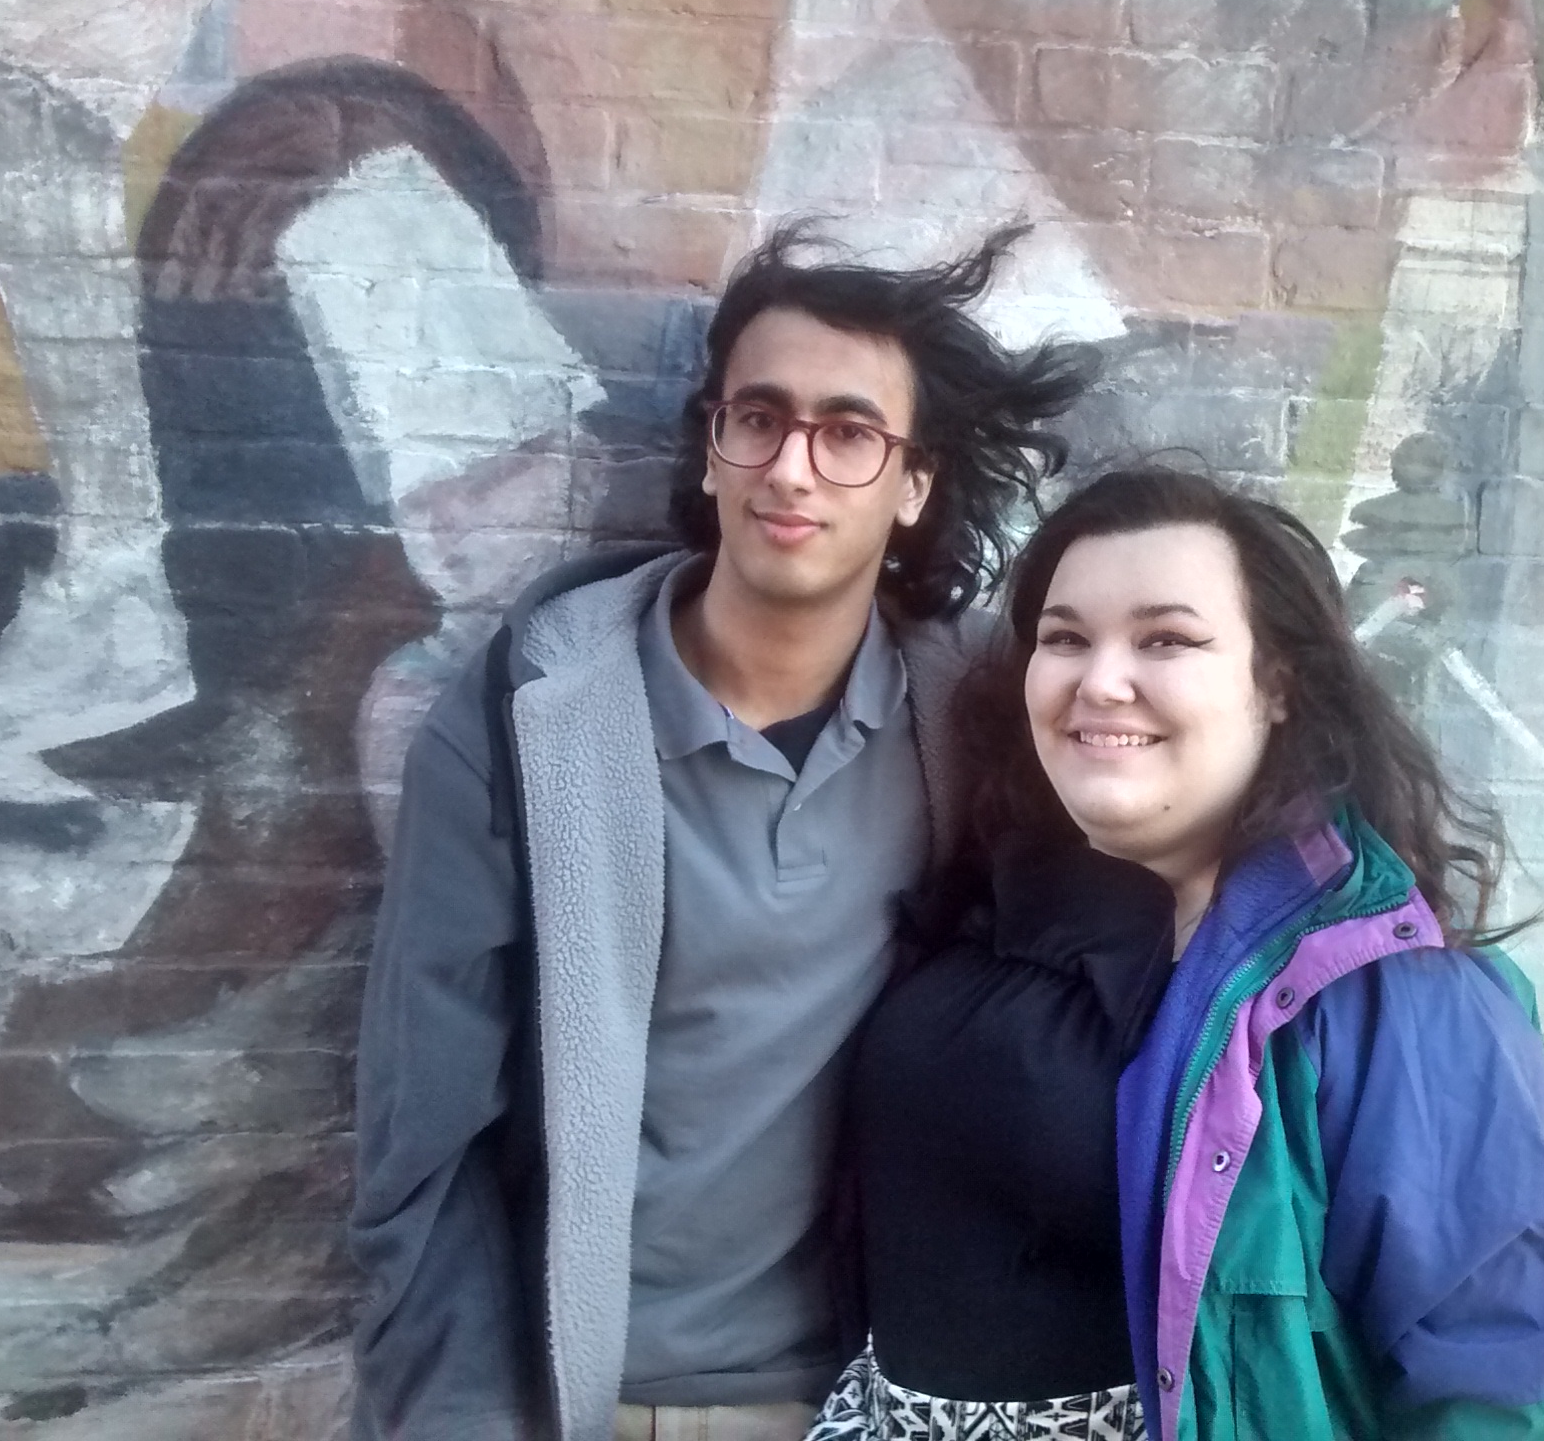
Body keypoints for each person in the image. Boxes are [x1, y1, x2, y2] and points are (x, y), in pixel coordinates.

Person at [348, 222, 1096, 1441]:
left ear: (914, 486)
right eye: (760, 418)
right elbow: (422, 1142)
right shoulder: (530, 719)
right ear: (711, 449)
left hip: (865, 1400)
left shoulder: (974, 723)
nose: (791, 468)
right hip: (590, 1397)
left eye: (848, 433)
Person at [816, 466, 1544, 1440]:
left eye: (1166, 639)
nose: (1098, 680)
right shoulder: (1002, 891)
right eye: (1064, 638)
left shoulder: (1392, 1000)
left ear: (1277, 685)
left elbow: (1517, 1384)